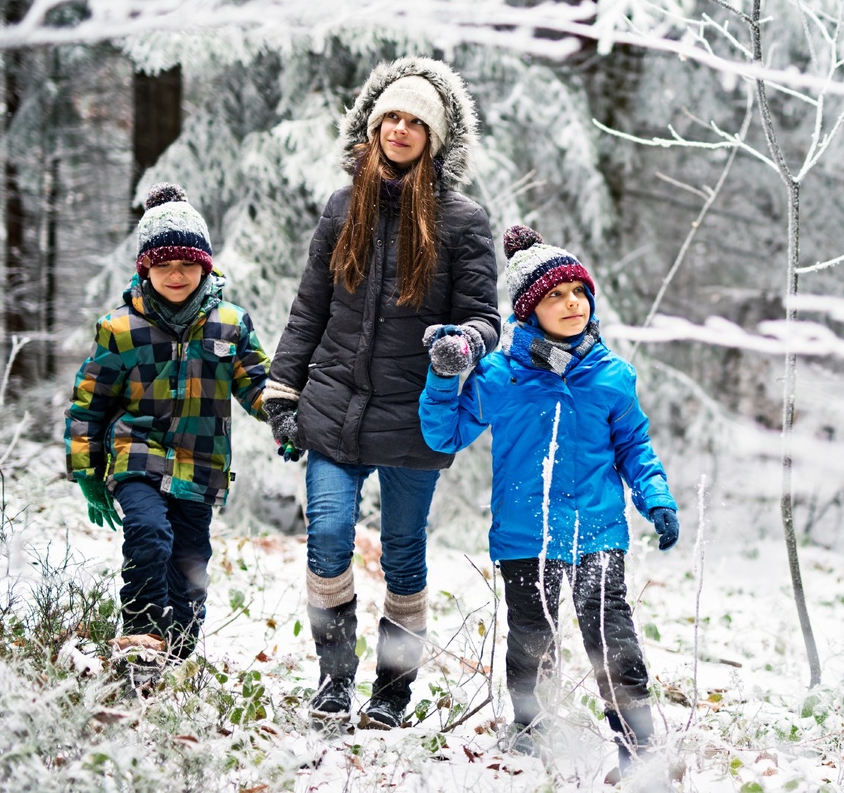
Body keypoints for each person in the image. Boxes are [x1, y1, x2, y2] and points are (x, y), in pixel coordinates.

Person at [263, 57, 500, 730]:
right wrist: (284, 395)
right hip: (335, 405)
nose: (399, 129)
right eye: (390, 117)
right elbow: (309, 308)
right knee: (328, 535)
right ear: (373, 127)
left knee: (402, 554)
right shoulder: (342, 206)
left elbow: (488, 319)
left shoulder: (461, 220)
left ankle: (391, 695)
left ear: (435, 137)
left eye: (414, 121)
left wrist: (464, 345)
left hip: (414, 416)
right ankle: (334, 683)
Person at [418, 225, 680, 779]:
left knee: (613, 640)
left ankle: (640, 749)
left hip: (598, 533)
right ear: (528, 310)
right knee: (531, 643)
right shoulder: (500, 375)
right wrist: (444, 378)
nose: (571, 303)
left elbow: (634, 445)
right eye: (555, 296)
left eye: (579, 292)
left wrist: (655, 498)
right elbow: (445, 435)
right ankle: (534, 740)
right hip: (525, 535)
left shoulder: (611, 375)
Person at [65, 183, 270, 682]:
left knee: (190, 564)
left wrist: (286, 419)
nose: (175, 276)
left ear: (205, 265)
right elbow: (89, 403)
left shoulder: (229, 324)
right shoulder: (119, 329)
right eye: (163, 266)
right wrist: (88, 473)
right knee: (150, 534)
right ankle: (138, 638)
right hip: (135, 452)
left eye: (186, 265)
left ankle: (175, 656)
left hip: (200, 462)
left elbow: (258, 386)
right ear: (145, 269)